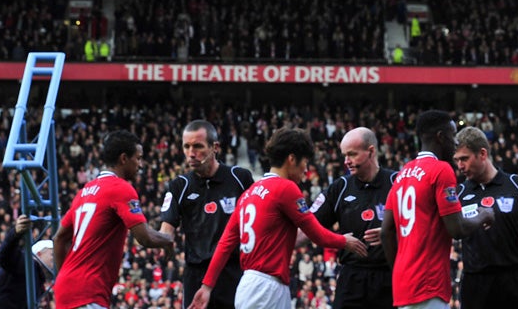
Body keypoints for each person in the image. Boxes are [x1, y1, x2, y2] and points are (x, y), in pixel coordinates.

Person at [188, 128, 367, 309]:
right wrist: (345, 241)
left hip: (257, 284)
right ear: (291, 159)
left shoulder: (248, 194)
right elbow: (316, 234)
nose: (306, 169)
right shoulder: (285, 188)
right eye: (304, 161)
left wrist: (207, 286)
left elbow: (225, 244)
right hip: (265, 287)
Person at [381, 109, 494, 309]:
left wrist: (398, 270)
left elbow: (386, 232)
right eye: (452, 136)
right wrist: (483, 215)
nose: (455, 144)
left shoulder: (402, 174)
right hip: (429, 282)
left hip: (403, 285)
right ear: (441, 137)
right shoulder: (441, 170)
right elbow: (457, 229)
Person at [53, 129, 175, 309]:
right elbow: (144, 237)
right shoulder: (121, 188)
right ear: (124, 158)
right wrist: (168, 239)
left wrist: (68, 275)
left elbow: (58, 238)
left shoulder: (84, 192)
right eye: (138, 158)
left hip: (66, 288)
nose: (140, 165)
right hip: (88, 292)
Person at [159, 119, 254, 309]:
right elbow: (166, 228)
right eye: (186, 146)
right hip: (196, 275)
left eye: (198, 146)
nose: (191, 153)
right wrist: (161, 241)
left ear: (215, 147)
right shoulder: (180, 185)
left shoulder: (240, 178)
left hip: (233, 272)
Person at [310, 127, 397, 309]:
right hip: (351, 279)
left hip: (389, 278)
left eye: (352, 154)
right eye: (344, 155)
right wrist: (340, 241)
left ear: (371, 151)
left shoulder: (397, 183)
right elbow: (309, 226)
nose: (346, 161)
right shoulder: (340, 187)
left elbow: (417, 225)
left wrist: (390, 232)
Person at [452, 125, 518, 309]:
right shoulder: (458, 193)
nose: (460, 166)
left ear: (482, 154)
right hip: (475, 283)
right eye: (457, 160)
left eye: (464, 159)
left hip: (515, 279)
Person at [0, 215, 52, 309]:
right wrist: (15, 233)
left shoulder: (39, 281)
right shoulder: (25, 262)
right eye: (52, 254)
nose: (55, 259)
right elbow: (5, 254)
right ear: (39, 254)